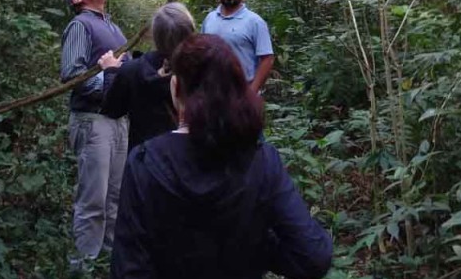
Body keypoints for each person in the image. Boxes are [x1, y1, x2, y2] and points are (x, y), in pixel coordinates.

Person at [110, 34, 332, 279]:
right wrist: (257, 244)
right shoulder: (261, 161)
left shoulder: (145, 162)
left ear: (176, 87)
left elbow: (128, 268)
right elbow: (313, 255)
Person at [60, 0, 129, 263]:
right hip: (93, 119)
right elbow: (72, 75)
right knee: (94, 198)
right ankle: (84, 262)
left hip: (119, 120)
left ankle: (109, 261)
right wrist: (109, 80)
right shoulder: (80, 25)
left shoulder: (113, 27)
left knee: (115, 196)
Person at [98, 2, 195, 151]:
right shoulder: (203, 68)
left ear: (154, 35)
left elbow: (111, 109)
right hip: (190, 154)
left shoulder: (132, 70)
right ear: (191, 31)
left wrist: (110, 71)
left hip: (145, 156)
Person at [201, 0, 275, 96]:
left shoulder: (255, 22)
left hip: (242, 92)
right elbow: (202, 53)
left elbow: (267, 59)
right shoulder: (209, 19)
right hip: (212, 92)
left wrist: (252, 92)